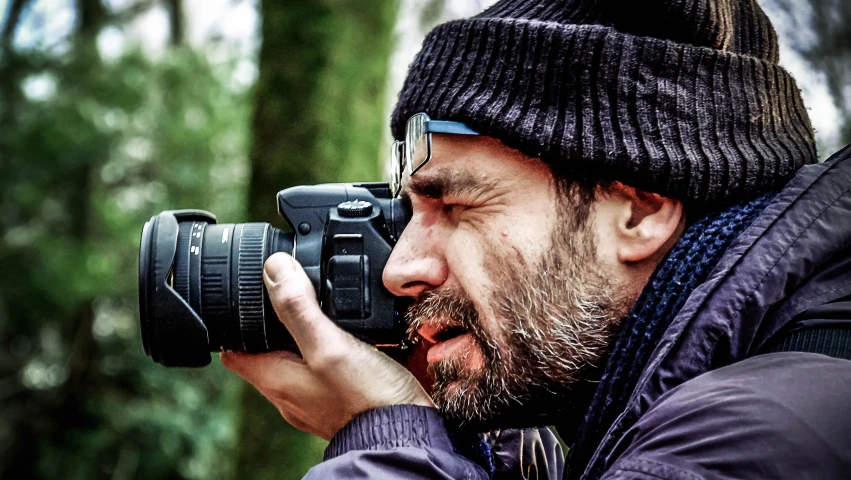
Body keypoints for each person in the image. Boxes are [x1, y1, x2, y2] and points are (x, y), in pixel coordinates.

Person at [221, 0, 851, 478]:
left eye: (455, 204)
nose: (402, 268)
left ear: (639, 211)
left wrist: (389, 438)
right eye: (411, 210)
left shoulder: (752, 440)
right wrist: (460, 435)